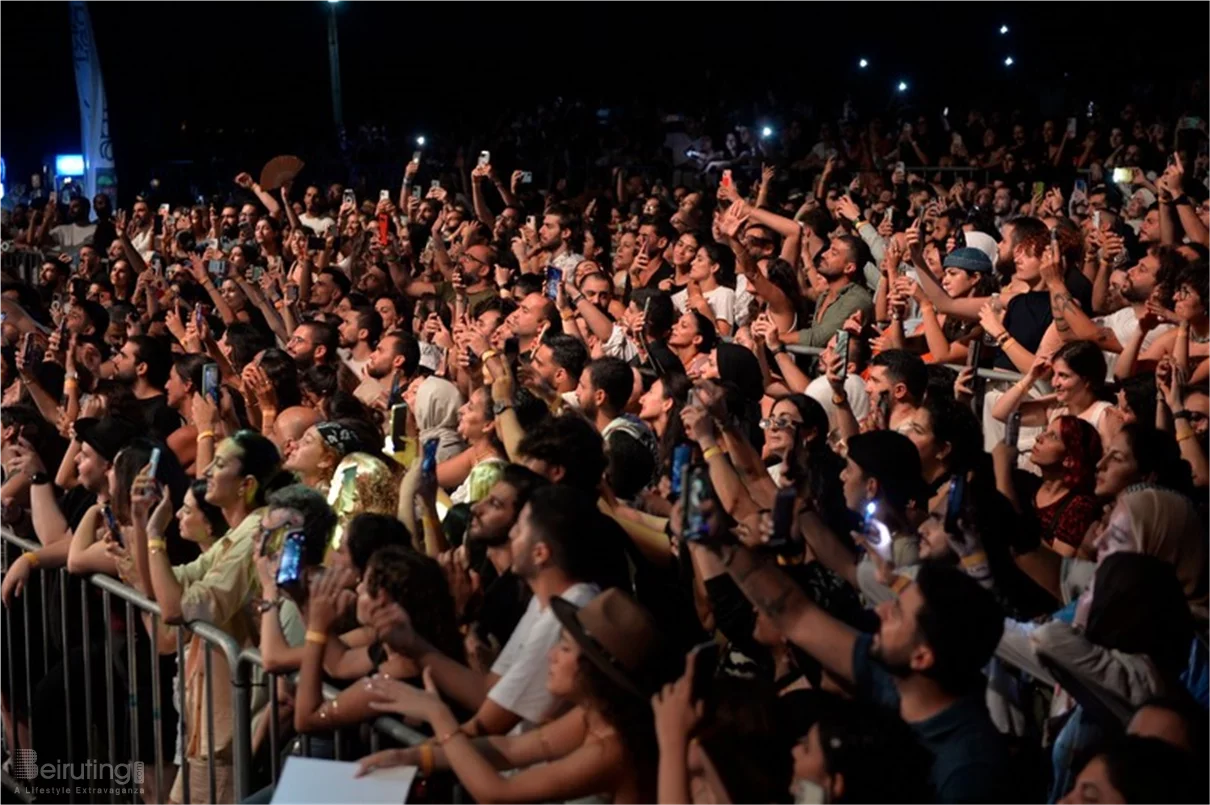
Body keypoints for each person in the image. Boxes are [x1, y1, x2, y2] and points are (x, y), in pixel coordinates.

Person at [359, 589, 666, 805]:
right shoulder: (592, 717)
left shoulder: (612, 749)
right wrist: (415, 757)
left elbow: (496, 793)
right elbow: (511, 747)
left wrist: (438, 715)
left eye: (566, 648)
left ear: (599, 674)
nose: (551, 655)